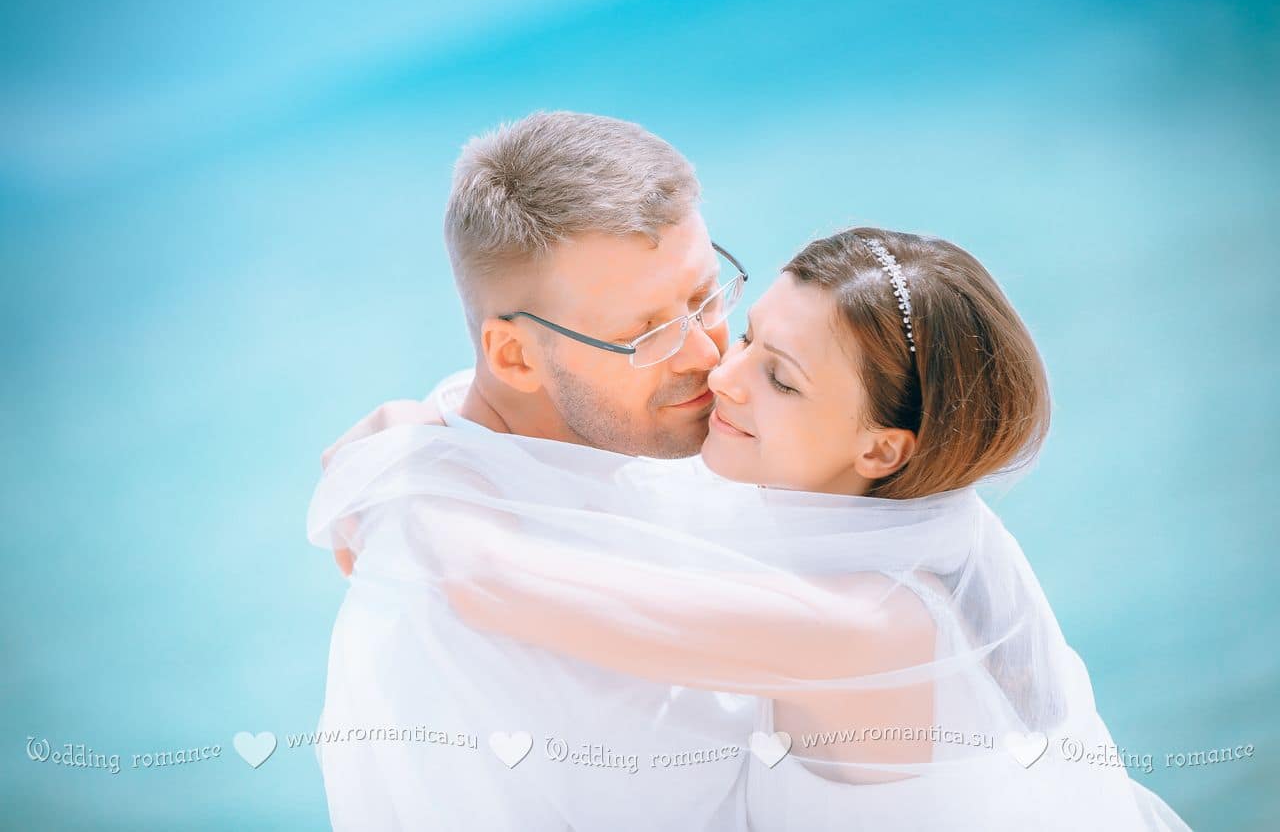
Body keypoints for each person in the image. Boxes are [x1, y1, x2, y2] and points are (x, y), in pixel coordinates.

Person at [313, 227, 1191, 829]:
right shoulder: (813, 515)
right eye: (751, 337)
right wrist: (424, 420)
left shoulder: (869, 627)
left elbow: (487, 581)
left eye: (782, 378)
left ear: (881, 447)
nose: (722, 375)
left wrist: (406, 456)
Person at [310, 109, 761, 831]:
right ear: (515, 356)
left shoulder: (670, 427)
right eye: (645, 333)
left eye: (705, 296)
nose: (706, 354)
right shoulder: (447, 631)